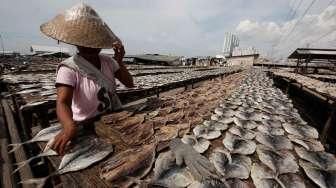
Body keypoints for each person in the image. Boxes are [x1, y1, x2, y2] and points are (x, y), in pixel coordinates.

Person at [39, 3, 134, 155]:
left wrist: (120, 61)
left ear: (100, 43)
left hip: (113, 119)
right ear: (76, 42)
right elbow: (62, 102)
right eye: (84, 44)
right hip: (85, 125)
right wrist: (68, 126)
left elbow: (129, 84)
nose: (90, 48)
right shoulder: (68, 68)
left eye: (94, 44)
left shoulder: (108, 62)